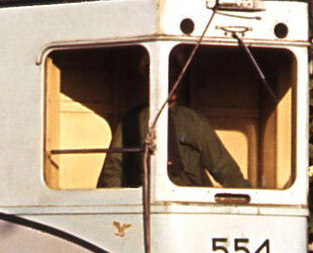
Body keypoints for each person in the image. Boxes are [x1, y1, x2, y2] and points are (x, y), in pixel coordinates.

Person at [98, 56, 248, 189]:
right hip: (145, 199)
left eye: (173, 77)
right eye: (163, 77)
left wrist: (249, 199)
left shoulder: (193, 121)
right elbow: (113, 170)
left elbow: (224, 168)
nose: (169, 83)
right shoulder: (132, 121)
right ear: (148, 79)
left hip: (189, 201)